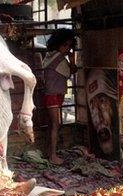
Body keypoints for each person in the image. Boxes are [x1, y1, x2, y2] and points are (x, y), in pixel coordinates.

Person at [42, 29, 77, 164]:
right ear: (58, 44)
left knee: (52, 125)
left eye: (69, 46)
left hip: (51, 93)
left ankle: (49, 152)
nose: (67, 48)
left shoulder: (49, 56)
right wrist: (72, 60)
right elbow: (70, 72)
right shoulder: (59, 58)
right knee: (56, 125)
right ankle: (53, 156)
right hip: (55, 94)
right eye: (65, 45)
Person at [86, 69, 117, 156]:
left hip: (96, 88)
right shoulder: (110, 120)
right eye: (106, 136)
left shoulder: (96, 124)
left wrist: (98, 105)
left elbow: (93, 104)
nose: (103, 133)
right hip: (103, 87)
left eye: (102, 137)